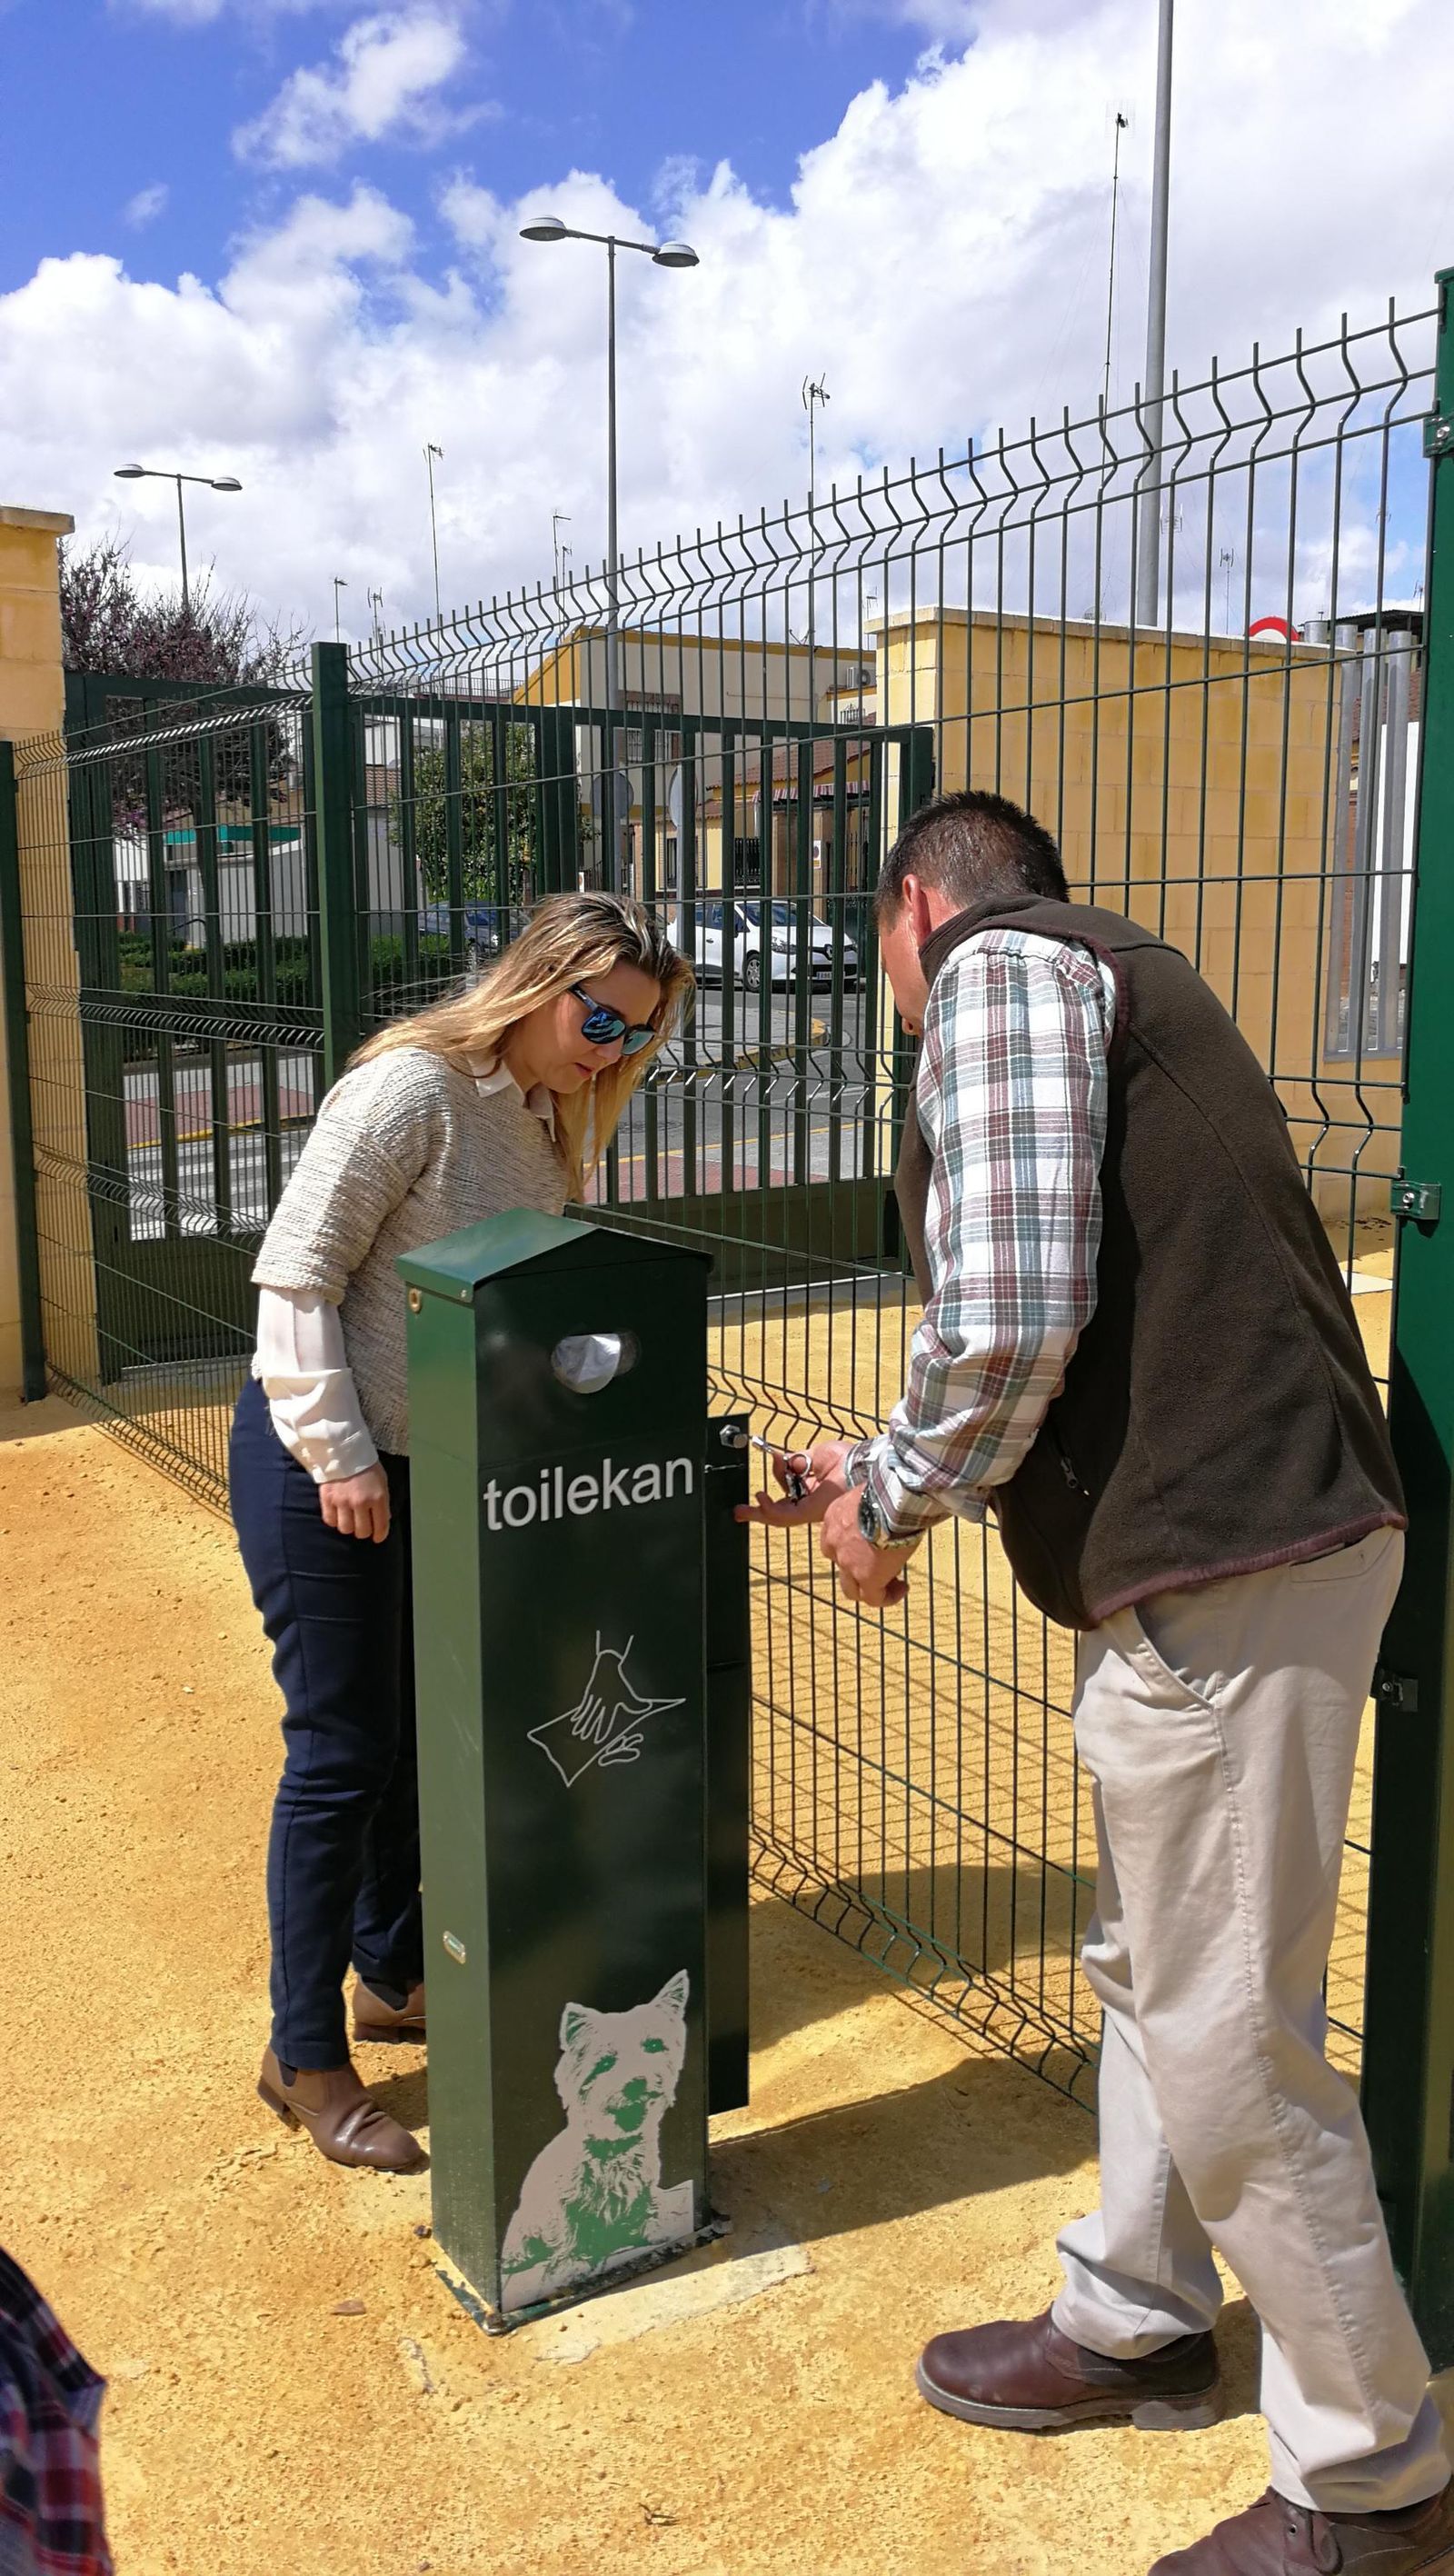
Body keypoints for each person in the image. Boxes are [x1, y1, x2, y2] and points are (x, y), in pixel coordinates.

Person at [746, 791, 1454, 2575]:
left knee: (1227, 2047)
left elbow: (1003, 1313)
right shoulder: (1099, 979)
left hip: (1232, 1559)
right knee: (1154, 1968)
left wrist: (890, 1500)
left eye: (878, 950)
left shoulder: (994, 973)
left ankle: (1375, 2478)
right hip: (1222, 1557)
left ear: (913, 904)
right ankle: (1137, 2307)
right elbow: (1069, 1316)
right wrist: (881, 1466)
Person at [231, 892, 692, 2178]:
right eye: (597, 1014)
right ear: (538, 980)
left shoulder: (548, 1127)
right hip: (320, 1450)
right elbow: (296, 1276)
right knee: (339, 1751)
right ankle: (303, 2053)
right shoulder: (413, 1090)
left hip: (431, 1463)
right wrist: (339, 1456)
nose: (611, 1046)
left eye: (636, 1031)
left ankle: (387, 1973)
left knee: (412, 1742)